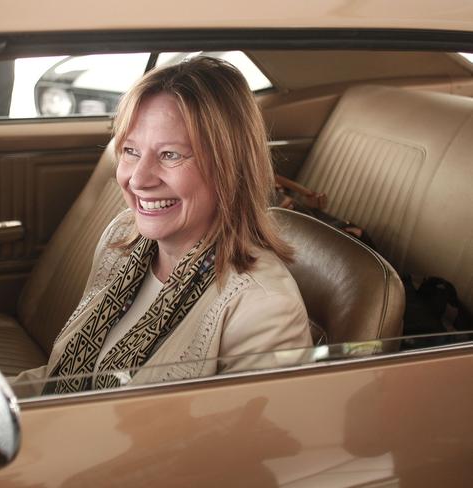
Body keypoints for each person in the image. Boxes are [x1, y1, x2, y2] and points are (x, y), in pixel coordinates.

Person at [16, 56, 312, 395]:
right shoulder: (122, 242)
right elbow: (72, 377)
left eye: (171, 154)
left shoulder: (263, 308)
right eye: (130, 150)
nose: (138, 179)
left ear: (230, 167)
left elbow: (245, 443)